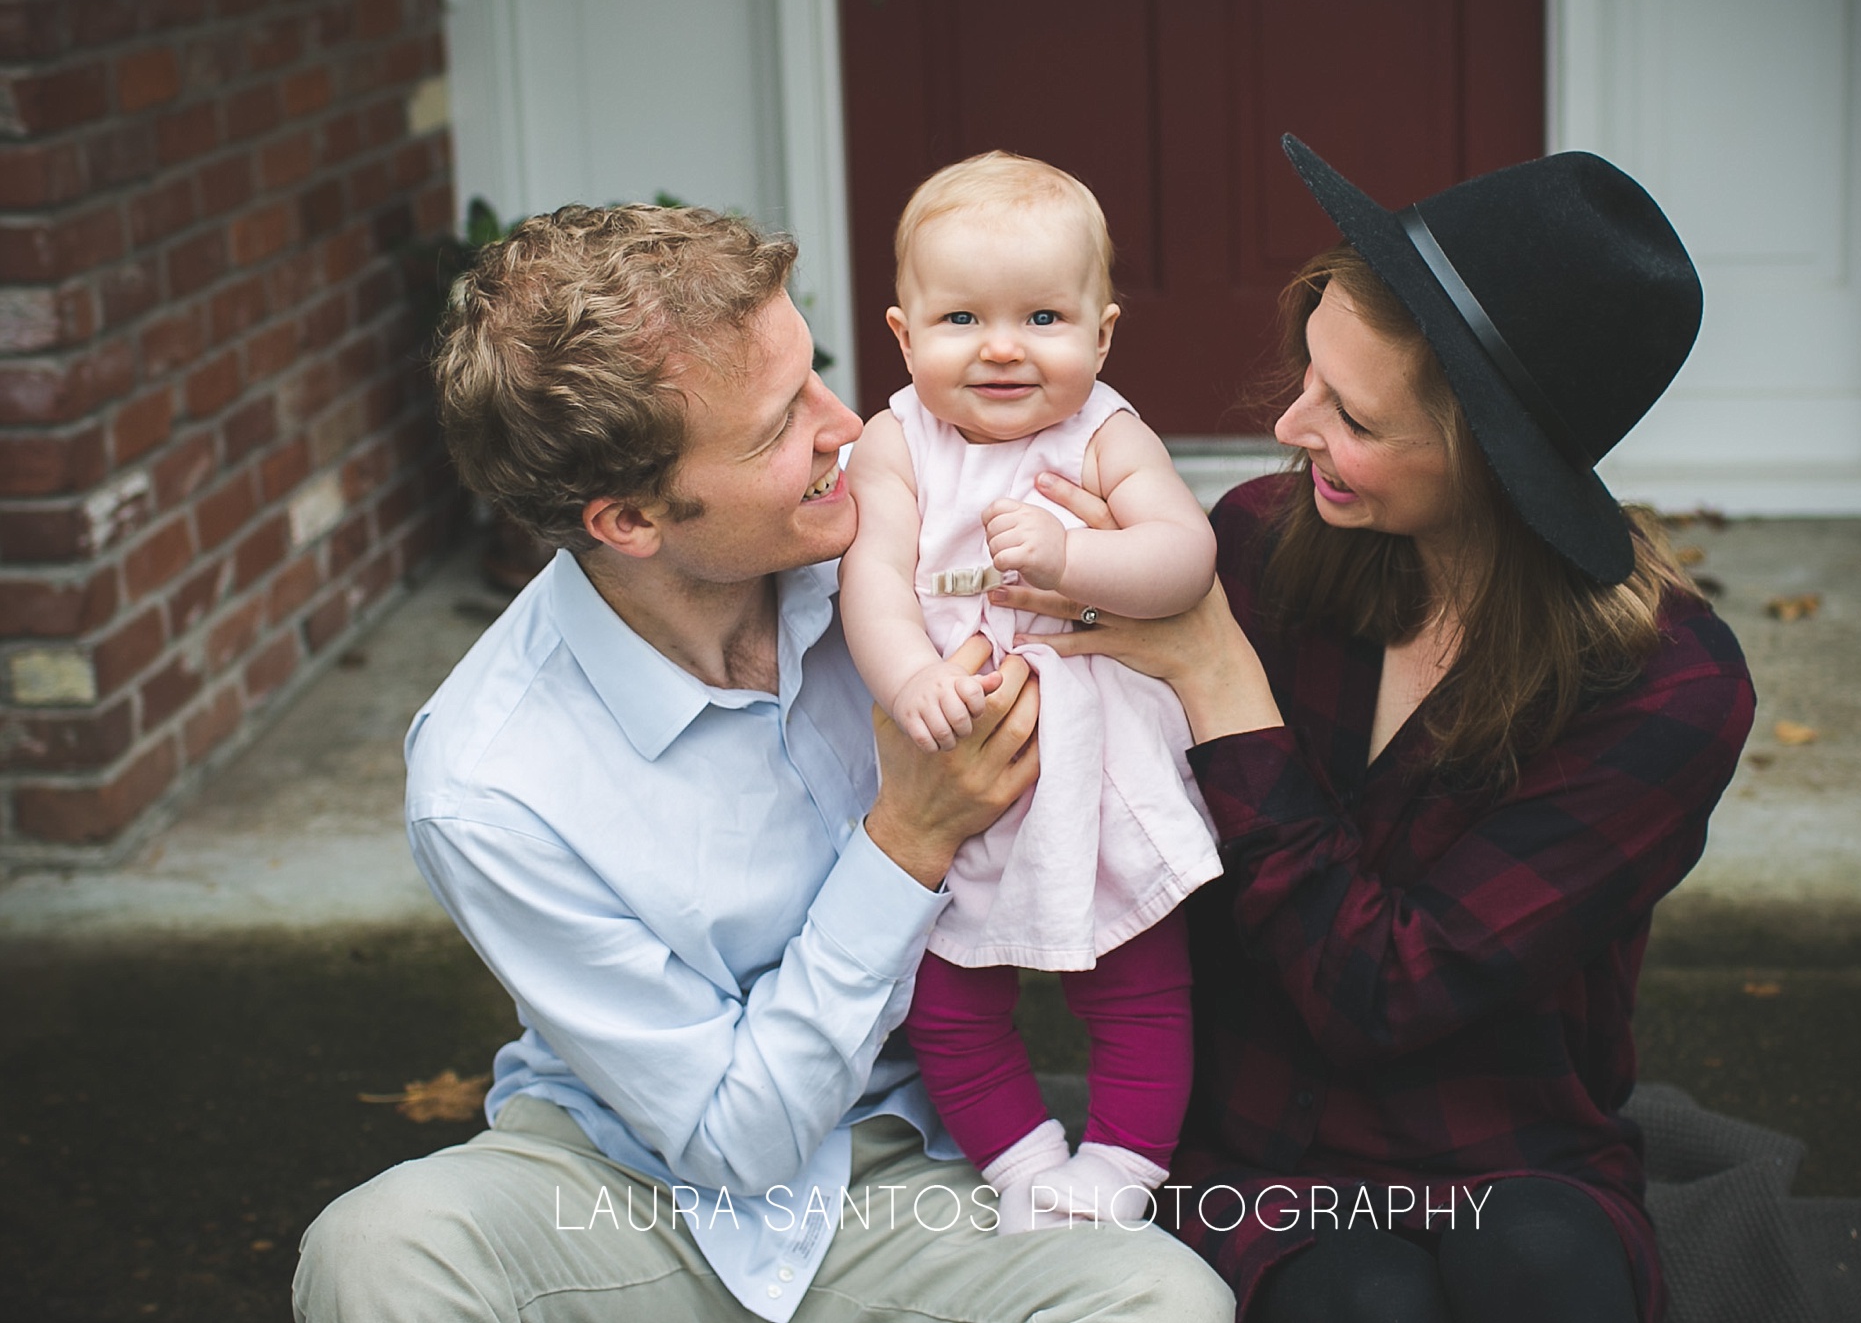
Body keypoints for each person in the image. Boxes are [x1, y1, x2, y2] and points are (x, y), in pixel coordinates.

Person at [290, 203, 1233, 1323]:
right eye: (782, 422)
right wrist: (907, 839)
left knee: (1163, 1301)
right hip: (622, 1186)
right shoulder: (488, 783)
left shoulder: (911, 559)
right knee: (373, 1252)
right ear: (630, 518)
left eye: (817, 374)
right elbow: (725, 1141)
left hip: (914, 1155)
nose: (849, 424)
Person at [995, 138, 1757, 1322]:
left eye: (1350, 416)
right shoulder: (1253, 544)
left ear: (1495, 463)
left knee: (1544, 1273)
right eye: (1307, 373)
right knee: (1358, 1303)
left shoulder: (1659, 683)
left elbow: (1381, 993)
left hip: (1506, 1144)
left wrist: (1217, 681)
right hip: (1254, 1147)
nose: (1292, 427)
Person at [841, 152, 1222, 1234]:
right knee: (948, 1000)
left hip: (1095, 762)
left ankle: (1119, 1166)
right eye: (960, 318)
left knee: (1136, 985)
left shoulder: (1104, 431)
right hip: (955, 753)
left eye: (1043, 317)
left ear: (1100, 335)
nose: (1003, 347)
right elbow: (870, 581)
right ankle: (1015, 1161)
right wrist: (908, 674)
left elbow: (1181, 554)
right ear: (903, 335)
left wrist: (1072, 560)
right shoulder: (893, 444)